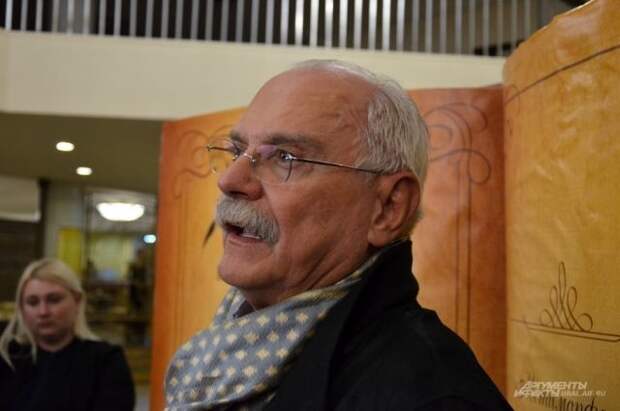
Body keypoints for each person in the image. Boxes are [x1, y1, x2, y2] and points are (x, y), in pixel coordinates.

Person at [164, 60, 512, 410]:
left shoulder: (431, 399)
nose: (230, 181)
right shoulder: (232, 345)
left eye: (286, 157)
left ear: (388, 207)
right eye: (237, 151)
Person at [0, 258, 135, 411]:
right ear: (22, 308)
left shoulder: (106, 361)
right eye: (33, 302)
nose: (43, 312)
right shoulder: (8, 358)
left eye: (54, 300)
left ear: (77, 301)